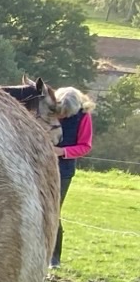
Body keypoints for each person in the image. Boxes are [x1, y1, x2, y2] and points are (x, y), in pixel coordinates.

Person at [53, 85, 94, 267]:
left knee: (54, 212)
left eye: (66, 115)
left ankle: (54, 258)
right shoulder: (48, 109)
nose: (62, 117)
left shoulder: (83, 117)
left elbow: (85, 146)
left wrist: (61, 151)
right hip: (38, 166)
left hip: (63, 171)